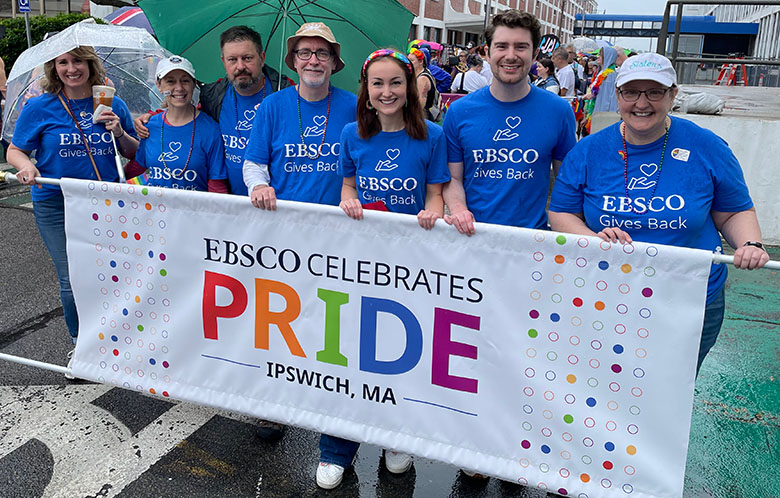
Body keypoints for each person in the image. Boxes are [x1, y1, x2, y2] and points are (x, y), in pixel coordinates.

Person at [548, 53, 770, 374]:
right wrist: (593, 239)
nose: (642, 102)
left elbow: (733, 211)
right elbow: (561, 214)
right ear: (618, 94)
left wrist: (751, 244)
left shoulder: (707, 146)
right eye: (631, 92)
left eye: (654, 92)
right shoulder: (587, 151)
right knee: (605, 380)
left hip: (691, 299)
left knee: (671, 390)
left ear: (672, 95)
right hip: (608, 295)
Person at [317, 49, 451, 490]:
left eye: (396, 82)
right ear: (366, 90)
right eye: (378, 83)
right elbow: (348, 186)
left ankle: (397, 437)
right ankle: (337, 447)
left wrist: (431, 212)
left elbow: (435, 194)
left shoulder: (431, 135)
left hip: (410, 266)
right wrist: (348, 201)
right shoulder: (351, 133)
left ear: (409, 87)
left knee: (401, 355)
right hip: (358, 262)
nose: (387, 91)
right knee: (348, 354)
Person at [242, 21, 357, 442]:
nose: (313, 60)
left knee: (334, 327)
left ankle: (332, 406)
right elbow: (254, 161)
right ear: (292, 62)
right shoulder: (272, 107)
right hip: (285, 238)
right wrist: (259, 185)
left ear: (333, 63)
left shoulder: (355, 106)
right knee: (280, 323)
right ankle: (274, 406)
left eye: (321, 53)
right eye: (305, 53)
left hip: (342, 238)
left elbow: (373, 158)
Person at [7, 46, 137, 356]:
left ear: (90, 65)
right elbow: (15, 150)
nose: (71, 68)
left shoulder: (112, 103)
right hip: (55, 201)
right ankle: (82, 346)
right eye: (63, 62)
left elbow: (134, 152)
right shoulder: (39, 107)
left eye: (77, 60)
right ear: (54, 68)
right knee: (71, 277)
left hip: (105, 202)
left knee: (112, 270)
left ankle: (118, 337)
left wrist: (118, 130)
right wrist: (26, 166)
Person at [442, 9, 576, 236]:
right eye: (502, 46)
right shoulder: (459, 112)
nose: (511, 55)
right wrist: (459, 210)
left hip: (531, 243)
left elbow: (568, 183)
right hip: (472, 238)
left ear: (534, 55)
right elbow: (452, 177)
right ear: (487, 52)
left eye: (521, 47)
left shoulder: (559, 111)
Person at [134, 26, 291, 196]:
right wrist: (153, 117)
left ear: (262, 58)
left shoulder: (284, 95)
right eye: (232, 59)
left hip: (276, 200)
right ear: (224, 61)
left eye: (247, 58)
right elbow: (187, 115)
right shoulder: (214, 96)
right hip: (233, 202)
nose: (240, 66)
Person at [132, 56, 227, 192]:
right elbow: (138, 165)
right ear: (159, 86)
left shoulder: (211, 130)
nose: (179, 88)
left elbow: (216, 183)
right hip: (155, 211)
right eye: (170, 81)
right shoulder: (149, 126)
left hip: (193, 211)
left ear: (194, 84)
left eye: (185, 81)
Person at [580, 46, 620, 135]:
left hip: (603, 117)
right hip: (597, 113)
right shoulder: (602, 73)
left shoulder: (609, 75)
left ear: (607, 57)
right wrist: (588, 116)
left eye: (600, 55)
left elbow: (606, 100)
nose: (598, 56)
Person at [408, 46, 439, 121]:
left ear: (420, 62)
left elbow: (420, 105)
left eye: (412, 60)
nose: (408, 63)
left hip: (422, 118)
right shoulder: (423, 73)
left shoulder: (422, 79)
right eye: (408, 60)